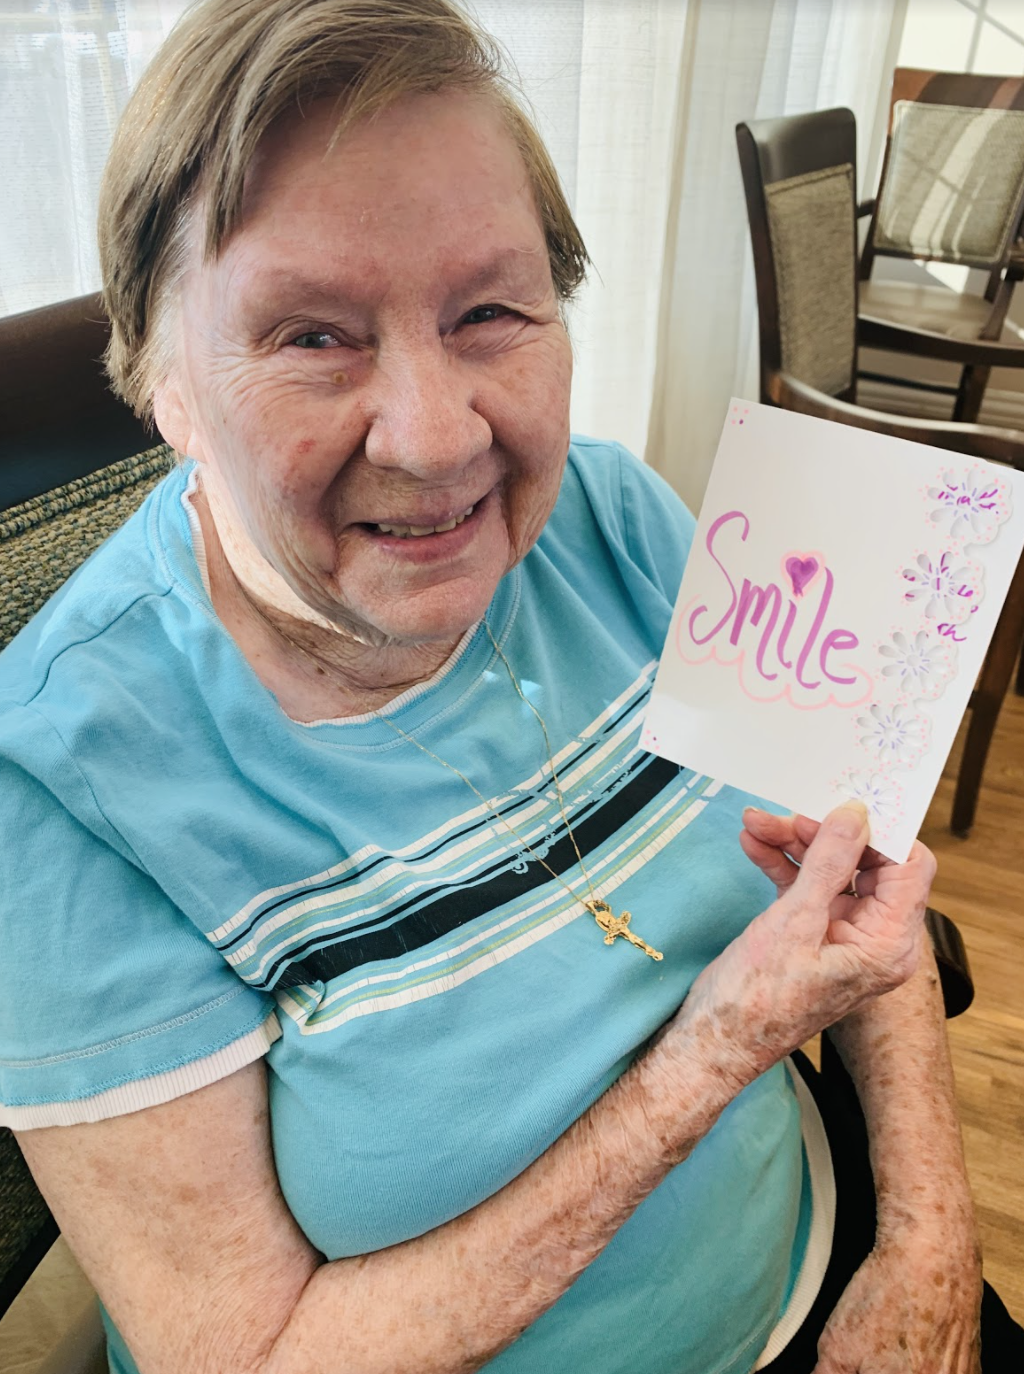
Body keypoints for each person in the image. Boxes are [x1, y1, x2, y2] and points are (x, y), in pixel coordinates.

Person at [0, 2, 1020, 1372]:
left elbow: (864, 853)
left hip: (837, 1285)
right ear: (165, 380)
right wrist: (709, 1056)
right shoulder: (65, 779)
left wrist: (925, 1243)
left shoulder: (620, 518)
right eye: (312, 335)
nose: (436, 438)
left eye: (491, 310)